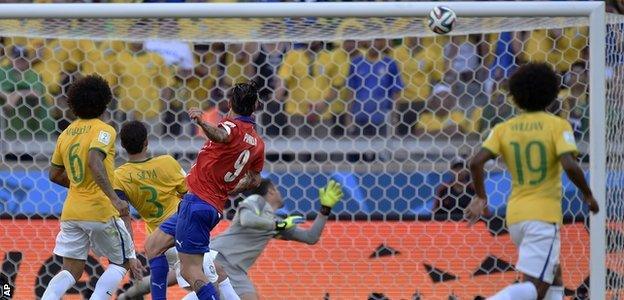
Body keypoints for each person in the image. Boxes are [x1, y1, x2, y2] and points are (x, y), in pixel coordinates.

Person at [465, 63, 600, 300]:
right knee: (534, 287)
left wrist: (481, 197)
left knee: (554, 274)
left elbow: (476, 162)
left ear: (515, 96)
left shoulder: (503, 128)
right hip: (543, 216)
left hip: (516, 216)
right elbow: (569, 164)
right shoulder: (557, 125)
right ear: (552, 94)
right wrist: (587, 194)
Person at [144, 81, 265, 300]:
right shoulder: (257, 143)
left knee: (191, 271)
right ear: (255, 106)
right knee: (153, 246)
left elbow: (222, 135)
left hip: (198, 204)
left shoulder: (231, 126)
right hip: (203, 204)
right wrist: (233, 187)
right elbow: (255, 179)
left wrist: (201, 121)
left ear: (229, 102)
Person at [112, 121, 239, 300]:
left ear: (123, 145)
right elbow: (190, 192)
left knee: (216, 274)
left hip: (160, 238)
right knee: (211, 283)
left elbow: (123, 215)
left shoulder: (119, 176)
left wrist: (129, 252)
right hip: (183, 227)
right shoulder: (167, 162)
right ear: (147, 142)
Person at [43, 75, 142, 299]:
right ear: (105, 102)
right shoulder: (104, 130)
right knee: (122, 262)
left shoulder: (66, 134)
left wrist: (78, 186)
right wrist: (114, 198)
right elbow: (94, 160)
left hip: (71, 212)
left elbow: (54, 174)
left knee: (71, 269)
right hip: (100, 210)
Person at [211, 178, 344, 300]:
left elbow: (310, 237)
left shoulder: (276, 222)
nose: (280, 193)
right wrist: (279, 225)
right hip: (217, 257)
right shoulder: (256, 200)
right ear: (271, 190)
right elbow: (247, 220)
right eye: (278, 189)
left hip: (236, 271)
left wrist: (325, 209)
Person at [347, 38, 403, 136]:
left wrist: (394, 118)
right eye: (371, 40)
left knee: (381, 148)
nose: (374, 43)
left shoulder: (390, 63)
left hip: (382, 117)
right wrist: (349, 118)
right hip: (359, 115)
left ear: (382, 42)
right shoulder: (356, 62)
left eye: (377, 40)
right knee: (359, 149)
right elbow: (351, 92)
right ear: (366, 42)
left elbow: (396, 92)